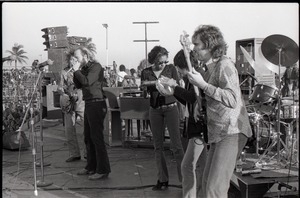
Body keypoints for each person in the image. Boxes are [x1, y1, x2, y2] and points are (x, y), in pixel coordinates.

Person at [186, 25, 252, 198]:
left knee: (214, 190)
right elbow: (214, 97)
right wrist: (199, 105)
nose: (194, 49)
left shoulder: (225, 64)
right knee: (207, 184)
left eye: (197, 45)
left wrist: (203, 85)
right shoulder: (211, 68)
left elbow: (231, 99)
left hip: (232, 131)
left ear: (209, 45)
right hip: (219, 132)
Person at [161, 49, 208, 198]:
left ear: (182, 65)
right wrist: (173, 92)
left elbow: (194, 98)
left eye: (178, 68)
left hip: (198, 129)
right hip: (197, 129)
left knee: (187, 166)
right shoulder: (191, 77)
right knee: (201, 167)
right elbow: (189, 100)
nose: (178, 72)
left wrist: (174, 88)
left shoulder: (195, 77)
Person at [140, 45, 184, 190]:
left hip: (171, 108)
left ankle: (184, 180)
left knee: (176, 146)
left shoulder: (171, 69)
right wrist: (145, 87)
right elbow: (144, 92)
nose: (163, 65)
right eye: (160, 62)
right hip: (155, 109)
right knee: (158, 146)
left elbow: (177, 88)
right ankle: (162, 179)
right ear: (153, 60)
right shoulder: (146, 72)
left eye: (165, 62)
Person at [72, 46, 111, 180]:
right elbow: (78, 85)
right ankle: (91, 166)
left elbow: (87, 82)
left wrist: (77, 70)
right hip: (88, 103)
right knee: (88, 137)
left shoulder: (96, 67)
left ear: (85, 56)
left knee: (97, 137)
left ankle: (103, 169)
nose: (75, 60)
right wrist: (75, 71)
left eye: (77, 57)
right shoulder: (83, 69)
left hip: (97, 103)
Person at [57, 53, 85, 163]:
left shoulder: (82, 71)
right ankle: (74, 153)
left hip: (81, 101)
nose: (72, 61)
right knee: (69, 129)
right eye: (71, 59)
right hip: (69, 102)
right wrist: (61, 90)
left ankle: (87, 153)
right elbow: (61, 85)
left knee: (86, 128)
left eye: (75, 59)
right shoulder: (64, 72)